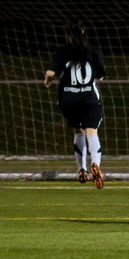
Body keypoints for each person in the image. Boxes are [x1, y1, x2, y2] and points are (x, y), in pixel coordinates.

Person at [44, 20, 107, 189]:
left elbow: (50, 72)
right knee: (91, 131)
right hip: (89, 99)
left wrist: (48, 80)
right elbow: (100, 76)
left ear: (68, 36)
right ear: (84, 33)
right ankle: (96, 165)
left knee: (79, 130)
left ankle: (82, 169)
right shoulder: (93, 50)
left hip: (69, 100)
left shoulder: (62, 52)